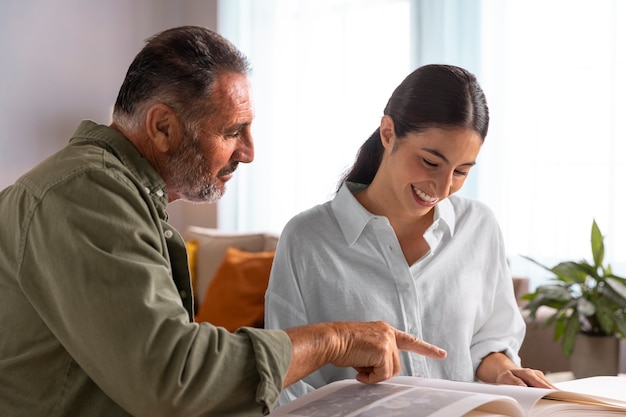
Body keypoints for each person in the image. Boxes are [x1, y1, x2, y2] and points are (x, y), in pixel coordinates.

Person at [0, 26, 447, 417]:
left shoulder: (120, 196)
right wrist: (334, 340)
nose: (249, 152)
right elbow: (174, 379)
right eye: (233, 131)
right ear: (162, 127)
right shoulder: (86, 195)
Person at [264, 64, 555, 405]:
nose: (443, 187)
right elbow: (287, 381)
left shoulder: (480, 226)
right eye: (431, 162)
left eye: (461, 171)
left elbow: (486, 343)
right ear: (388, 133)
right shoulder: (308, 239)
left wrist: (503, 370)